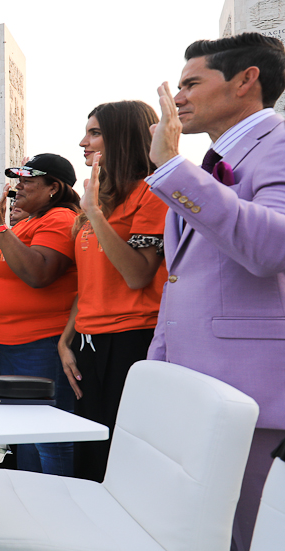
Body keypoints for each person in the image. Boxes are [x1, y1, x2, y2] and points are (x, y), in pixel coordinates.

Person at [146, 33, 285, 549]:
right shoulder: (205, 164)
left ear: (246, 79)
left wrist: (172, 170)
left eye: (191, 83)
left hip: (249, 395)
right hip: (191, 384)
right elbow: (184, 277)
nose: (178, 98)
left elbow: (272, 246)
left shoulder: (279, 143)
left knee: (237, 534)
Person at [55, 101, 167, 486]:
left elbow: (137, 275)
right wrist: (66, 340)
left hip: (132, 340)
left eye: (95, 132)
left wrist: (95, 215)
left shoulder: (150, 193)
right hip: (88, 341)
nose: (83, 141)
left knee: (121, 455)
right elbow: (88, 286)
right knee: (91, 451)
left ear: (123, 137)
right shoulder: (98, 200)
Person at [0, 154, 81, 477]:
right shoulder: (30, 221)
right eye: (18, 180)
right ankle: (31, 500)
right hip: (13, 344)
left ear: (54, 187)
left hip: (42, 344)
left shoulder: (61, 218)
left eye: (28, 180)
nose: (18, 187)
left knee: (49, 436)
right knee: (26, 431)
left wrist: (0, 228)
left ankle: (56, 509)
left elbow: (38, 273)